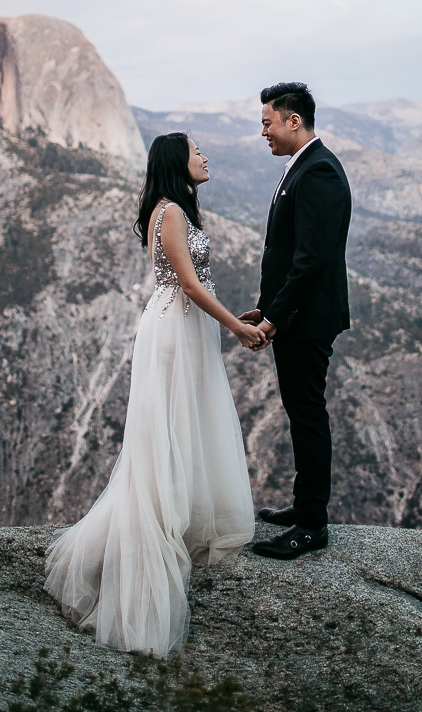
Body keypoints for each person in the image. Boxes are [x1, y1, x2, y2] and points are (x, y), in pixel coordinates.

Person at [44, 133, 265, 656]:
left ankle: (179, 517)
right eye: (196, 151)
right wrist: (237, 327)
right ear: (176, 163)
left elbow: (196, 279)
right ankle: (149, 539)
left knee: (190, 422)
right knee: (169, 427)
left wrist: (236, 316)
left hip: (187, 327)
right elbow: (187, 285)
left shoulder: (177, 209)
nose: (206, 157)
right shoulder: (168, 212)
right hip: (172, 329)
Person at [241, 82, 352, 559]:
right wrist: (268, 310)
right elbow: (289, 256)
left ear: (293, 121)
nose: (262, 131)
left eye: (268, 122)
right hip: (293, 317)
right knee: (300, 414)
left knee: (307, 417)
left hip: (306, 323)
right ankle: (304, 506)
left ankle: (311, 524)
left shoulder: (319, 172)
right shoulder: (302, 168)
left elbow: (310, 262)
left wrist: (274, 321)